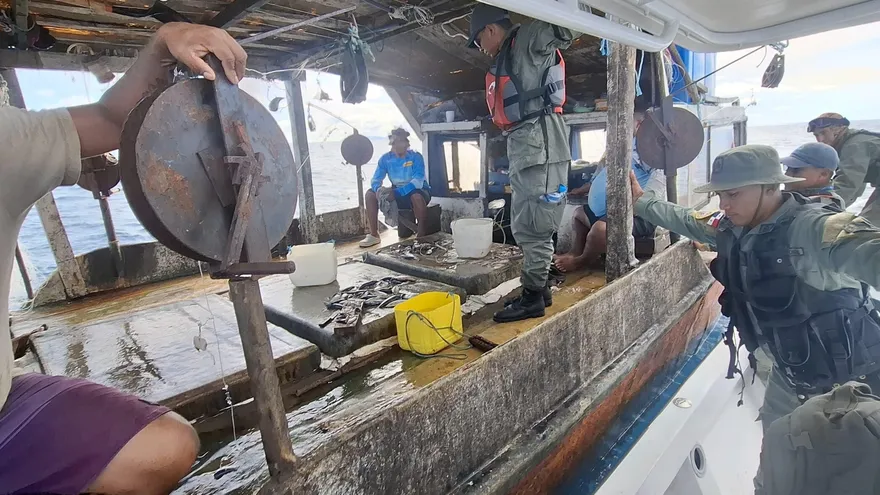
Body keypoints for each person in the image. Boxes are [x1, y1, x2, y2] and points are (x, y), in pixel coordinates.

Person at [0, 23, 247, 494]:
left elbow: (112, 120)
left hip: (4, 405)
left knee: (165, 446)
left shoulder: (5, 141)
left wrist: (164, 42)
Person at [628, 144, 880, 435]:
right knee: (775, 464)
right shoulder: (733, 226)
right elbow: (688, 221)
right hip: (787, 376)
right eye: (720, 195)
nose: (724, 204)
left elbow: (867, 250)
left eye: (733, 194)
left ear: (771, 187)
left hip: (848, 387)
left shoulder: (815, 227)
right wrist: (641, 201)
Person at [468, 4, 577, 323]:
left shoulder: (528, 39)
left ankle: (532, 300)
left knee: (535, 227)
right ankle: (539, 288)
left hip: (541, 147)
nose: (480, 50)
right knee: (524, 223)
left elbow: (567, 27)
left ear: (490, 29)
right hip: (526, 148)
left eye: (478, 42)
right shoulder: (507, 55)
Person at [556, 107, 664, 272]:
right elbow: (600, 174)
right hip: (610, 210)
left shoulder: (653, 154)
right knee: (579, 213)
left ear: (640, 125)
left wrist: (628, 208)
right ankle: (574, 253)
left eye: (626, 125)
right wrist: (583, 189)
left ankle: (582, 261)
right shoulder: (620, 149)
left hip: (638, 214)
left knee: (600, 230)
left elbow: (650, 197)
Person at [360, 127, 431, 247]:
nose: (400, 145)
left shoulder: (416, 157)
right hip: (396, 190)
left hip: (418, 190)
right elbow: (376, 179)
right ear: (392, 143)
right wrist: (378, 190)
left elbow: (418, 181)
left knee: (416, 197)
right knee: (369, 194)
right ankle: (374, 234)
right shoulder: (385, 159)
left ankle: (421, 234)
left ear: (407, 142)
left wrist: (397, 193)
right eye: (397, 141)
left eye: (403, 141)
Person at [808, 112, 880, 224]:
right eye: (816, 135)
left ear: (839, 129)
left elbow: (848, 184)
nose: (820, 139)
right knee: (863, 223)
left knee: (864, 227)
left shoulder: (854, 145)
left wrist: (816, 211)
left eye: (823, 133)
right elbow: (856, 185)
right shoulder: (846, 143)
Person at [781, 141, 844, 207]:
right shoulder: (795, 195)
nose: (787, 175)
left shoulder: (827, 204)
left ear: (823, 174)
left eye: (795, 170)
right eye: (787, 168)